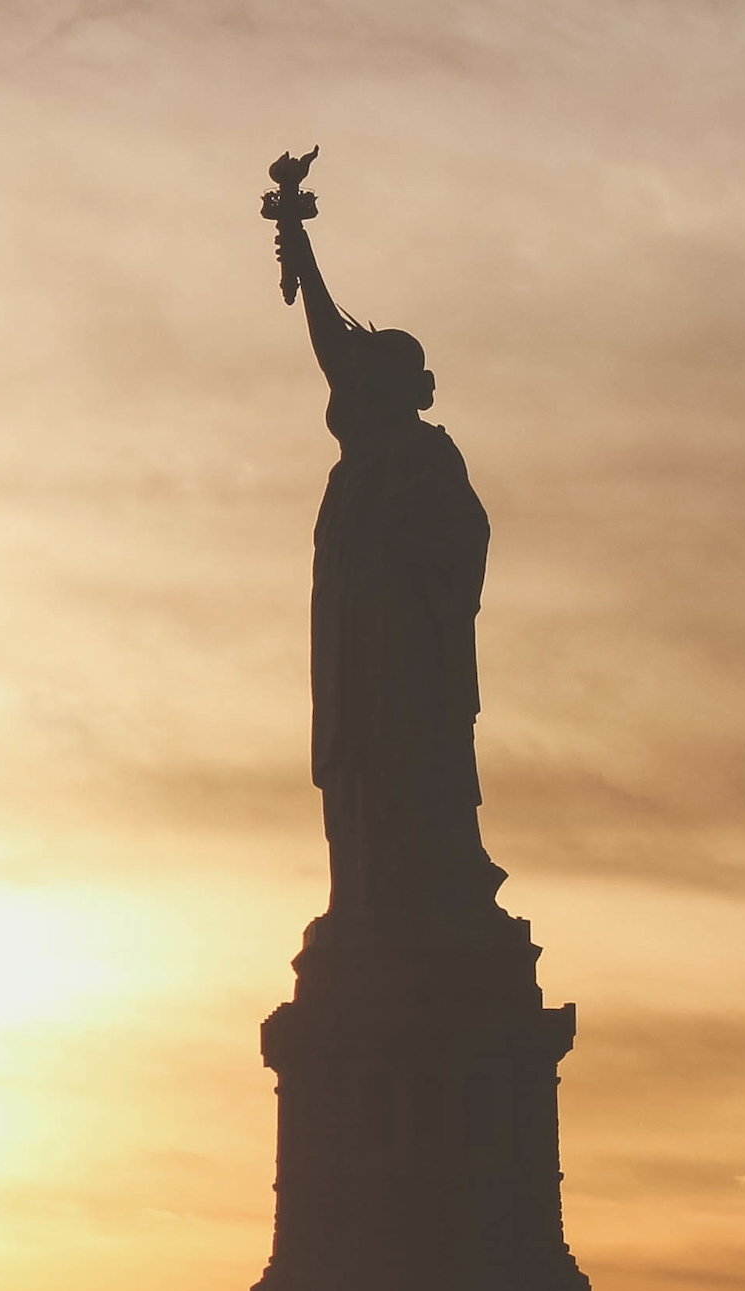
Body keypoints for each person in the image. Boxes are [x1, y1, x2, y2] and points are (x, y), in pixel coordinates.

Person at [269, 171, 509, 925]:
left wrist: (415, 558)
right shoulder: (363, 461)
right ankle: (366, 894)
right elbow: (328, 338)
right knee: (359, 759)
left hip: (410, 642)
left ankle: (428, 888)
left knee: (409, 751)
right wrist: (296, 240)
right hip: (353, 634)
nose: (354, 381)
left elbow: (464, 541)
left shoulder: (426, 456)